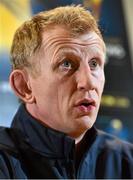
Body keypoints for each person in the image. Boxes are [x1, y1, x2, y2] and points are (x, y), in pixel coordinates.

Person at [0, 5, 133, 179]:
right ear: (24, 86)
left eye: (94, 64)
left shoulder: (127, 161)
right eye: (66, 64)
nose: (89, 82)